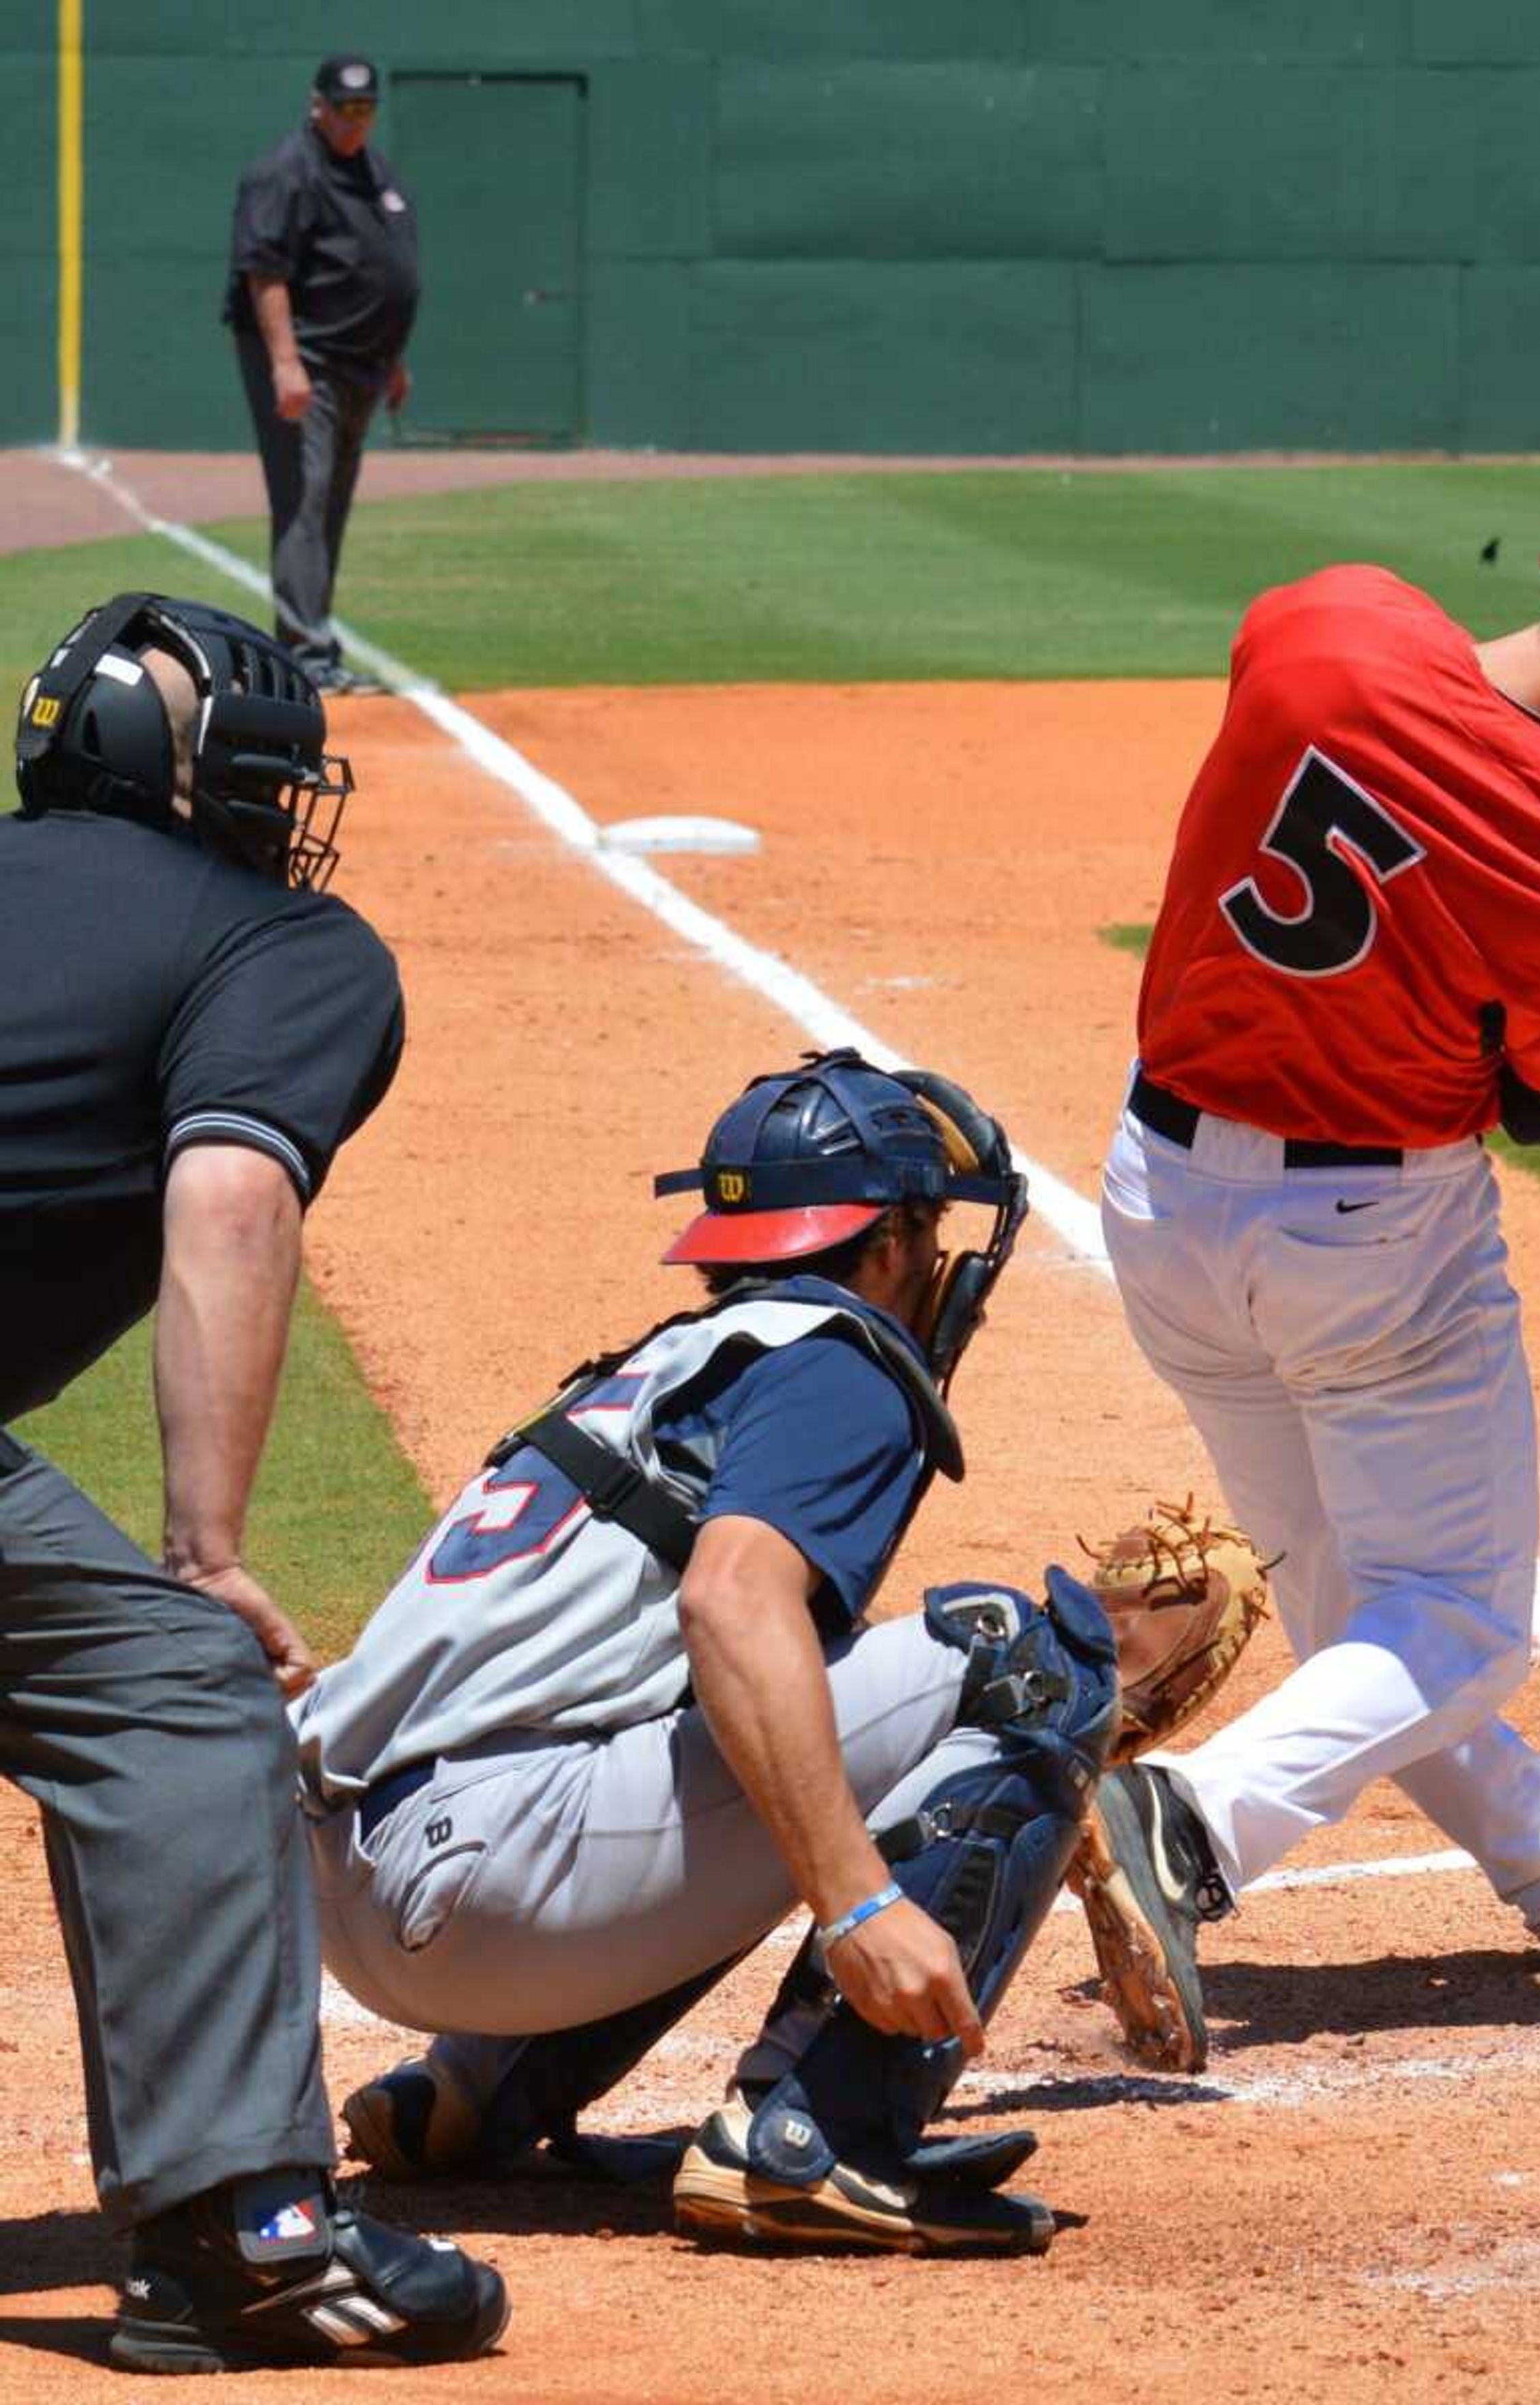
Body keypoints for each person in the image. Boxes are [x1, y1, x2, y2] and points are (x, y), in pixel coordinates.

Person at [1072, 475, 1540, 2076]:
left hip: (1157, 1200)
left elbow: (1373, 785)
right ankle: (1187, 1822)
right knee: (1461, 1622)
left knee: (1350, 1588)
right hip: (1365, 1252)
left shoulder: (1321, 622)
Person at [301, 1051, 1120, 2258]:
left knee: (768, 1711)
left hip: (361, 1889)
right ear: (886, 1242)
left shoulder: (665, 1368)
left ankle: (480, 2089)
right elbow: (733, 1606)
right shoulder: (836, 1360)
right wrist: (861, 1902)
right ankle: (820, 2137)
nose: (942, 1262)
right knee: (1024, 1661)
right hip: (500, 1885)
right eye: (929, 1228)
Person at [1, 594, 509, 2373]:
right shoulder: (283, 943)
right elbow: (233, 1193)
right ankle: (247, 2233)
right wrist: (207, 1547)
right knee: (174, 1681)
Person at [221, 54, 418, 698]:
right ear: (318, 106)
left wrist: (391, 358)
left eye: (366, 109)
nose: (356, 120)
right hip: (309, 360)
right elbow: (265, 272)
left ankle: (311, 647)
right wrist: (285, 363)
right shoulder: (286, 173)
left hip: (362, 363)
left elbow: (385, 269)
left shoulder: (370, 171)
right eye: (345, 108)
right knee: (305, 498)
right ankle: (306, 654)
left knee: (330, 500)